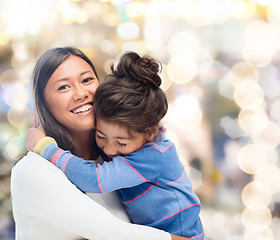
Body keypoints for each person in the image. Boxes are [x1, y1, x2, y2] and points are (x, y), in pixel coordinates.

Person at [10, 47, 193, 240]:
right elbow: (113, 233)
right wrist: (44, 147)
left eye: (87, 80)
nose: (80, 93)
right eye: (64, 87)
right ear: (43, 103)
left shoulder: (116, 159)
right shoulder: (32, 170)